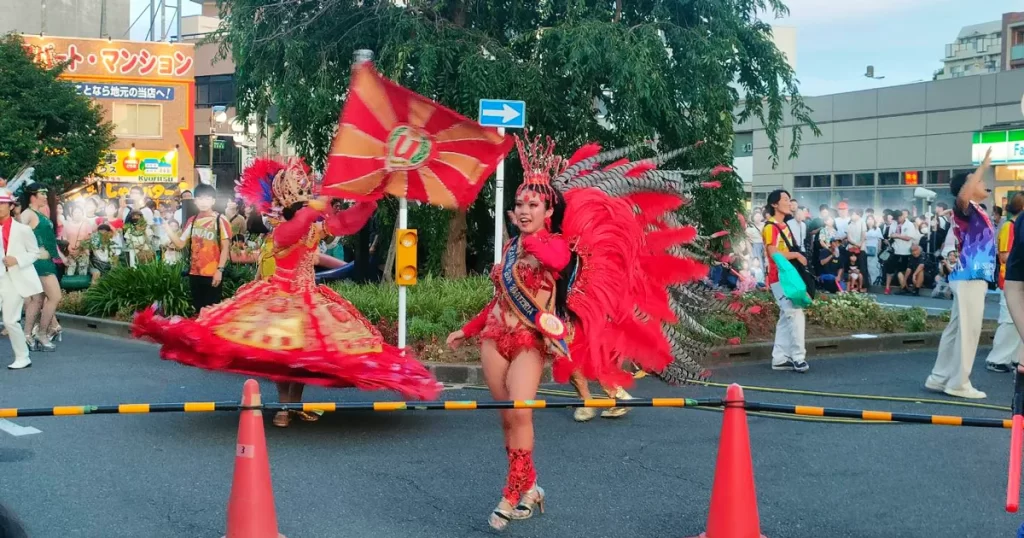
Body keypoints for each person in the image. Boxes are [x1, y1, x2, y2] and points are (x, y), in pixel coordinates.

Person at [446, 134, 728, 530]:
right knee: (506, 418)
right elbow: (500, 299)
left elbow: (552, 258)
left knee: (520, 412)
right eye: (520, 204)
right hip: (494, 338)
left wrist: (533, 236)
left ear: (549, 210)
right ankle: (531, 487)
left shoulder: (557, 246)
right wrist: (467, 329)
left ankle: (511, 492)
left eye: (533, 205)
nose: (524, 210)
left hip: (529, 341)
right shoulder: (510, 248)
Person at [132, 158, 442, 427]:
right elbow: (297, 228)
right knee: (283, 355)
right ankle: (284, 407)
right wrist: (318, 205)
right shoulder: (282, 231)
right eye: (303, 204)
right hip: (278, 297)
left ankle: (293, 405)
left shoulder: (313, 227)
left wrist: (368, 201)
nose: (309, 208)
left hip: (309, 296)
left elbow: (347, 223)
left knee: (303, 356)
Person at [925, 147, 996, 399]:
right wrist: (982, 166)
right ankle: (958, 383)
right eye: (977, 180)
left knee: (956, 329)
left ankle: (939, 377)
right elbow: (963, 195)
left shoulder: (977, 209)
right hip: (970, 276)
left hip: (970, 275)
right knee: (968, 330)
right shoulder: (965, 206)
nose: (983, 183)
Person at [162, 184, 231, 313]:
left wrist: (220, 270)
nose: (203, 202)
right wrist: (168, 230)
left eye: (207, 198)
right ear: (195, 201)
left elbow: (225, 248)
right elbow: (180, 244)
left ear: (213, 201)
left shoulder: (220, 220)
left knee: (212, 311)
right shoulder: (192, 221)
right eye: (200, 198)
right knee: (198, 310)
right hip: (195, 273)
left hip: (212, 273)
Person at [763, 189, 809, 373]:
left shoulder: (784, 226)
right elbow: (773, 253)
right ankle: (798, 357)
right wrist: (796, 255)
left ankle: (780, 358)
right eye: (785, 199)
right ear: (774, 204)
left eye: (789, 199)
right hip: (780, 278)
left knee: (786, 316)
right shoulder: (770, 227)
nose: (789, 203)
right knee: (795, 314)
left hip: (787, 277)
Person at [0, 188, 44, 370]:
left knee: (10, 320)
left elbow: (35, 253)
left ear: (11, 206)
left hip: (13, 279)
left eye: (2, 203)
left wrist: (17, 259)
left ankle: (23, 357)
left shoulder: (23, 230)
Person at [985, 193, 1024, 372]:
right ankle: (997, 359)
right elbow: (1004, 255)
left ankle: (1016, 358)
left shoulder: (1015, 224)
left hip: (1014, 278)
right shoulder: (1009, 226)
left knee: (1016, 322)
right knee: (1009, 321)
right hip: (1009, 277)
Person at [19, 184, 60, 351]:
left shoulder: (38, 213)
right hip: (39, 264)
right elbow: (16, 235)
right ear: (32, 196)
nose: (45, 196)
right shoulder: (27, 214)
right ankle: (42, 334)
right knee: (55, 297)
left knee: (37, 300)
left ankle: (27, 335)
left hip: (46, 262)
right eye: (42, 193)